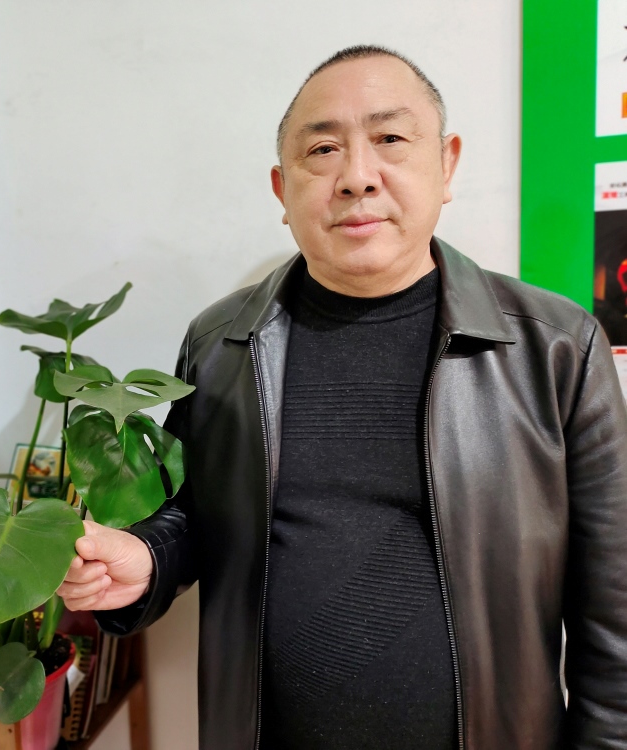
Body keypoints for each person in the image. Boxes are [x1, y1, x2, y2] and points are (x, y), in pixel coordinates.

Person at [57, 45, 627, 750]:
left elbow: (615, 613)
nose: (357, 176)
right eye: (323, 149)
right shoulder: (222, 343)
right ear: (282, 189)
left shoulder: (557, 349)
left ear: (447, 164)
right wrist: (146, 557)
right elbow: (200, 515)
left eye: (390, 139)